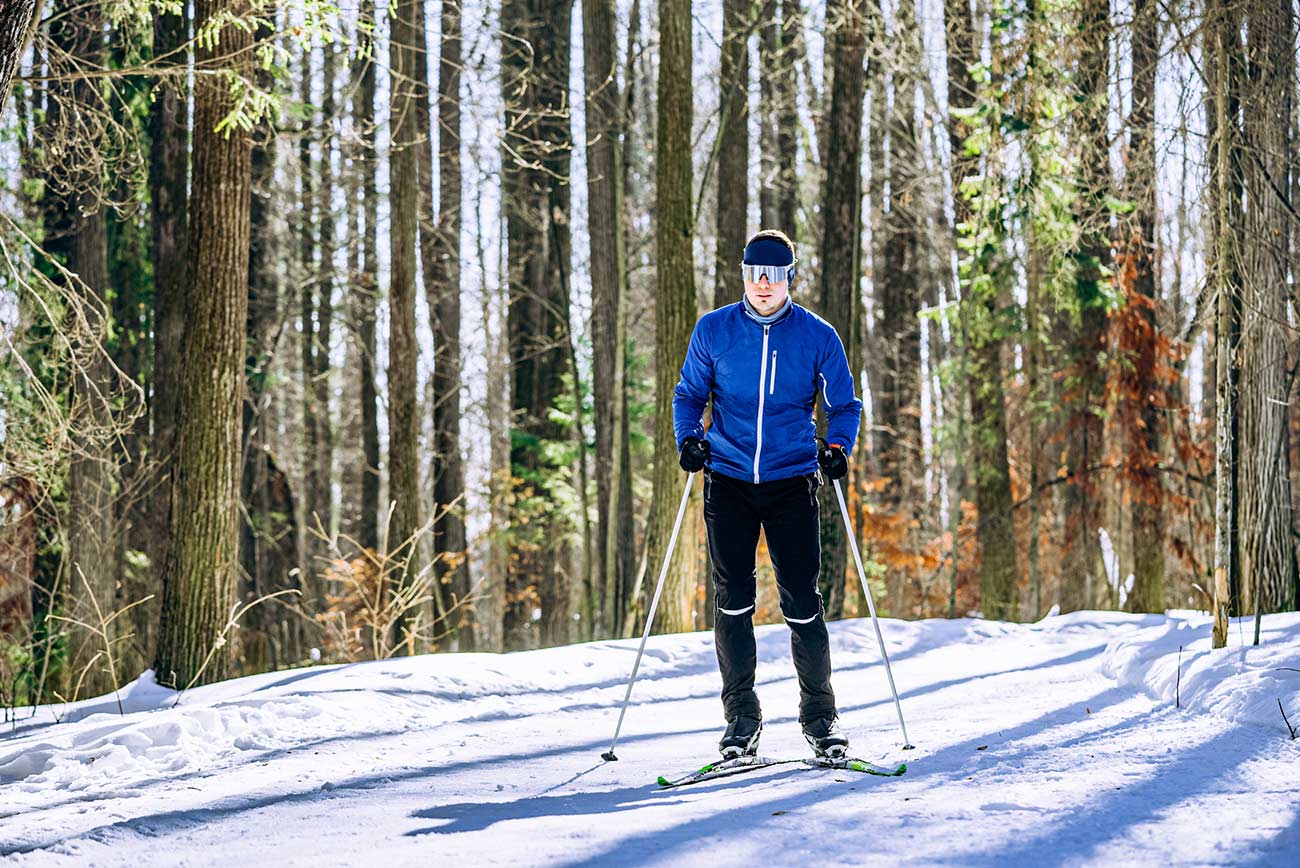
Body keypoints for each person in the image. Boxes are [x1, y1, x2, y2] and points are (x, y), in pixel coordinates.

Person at [673, 228, 862, 760]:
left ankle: (821, 718)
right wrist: (688, 439)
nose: (763, 284)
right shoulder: (714, 330)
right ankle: (741, 718)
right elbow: (688, 395)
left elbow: (845, 405)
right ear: (743, 275)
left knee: (802, 602)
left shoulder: (817, 336)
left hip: (792, 480)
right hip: (728, 479)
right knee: (733, 601)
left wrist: (838, 446)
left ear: (789, 279)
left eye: (774, 275)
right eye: (755, 273)